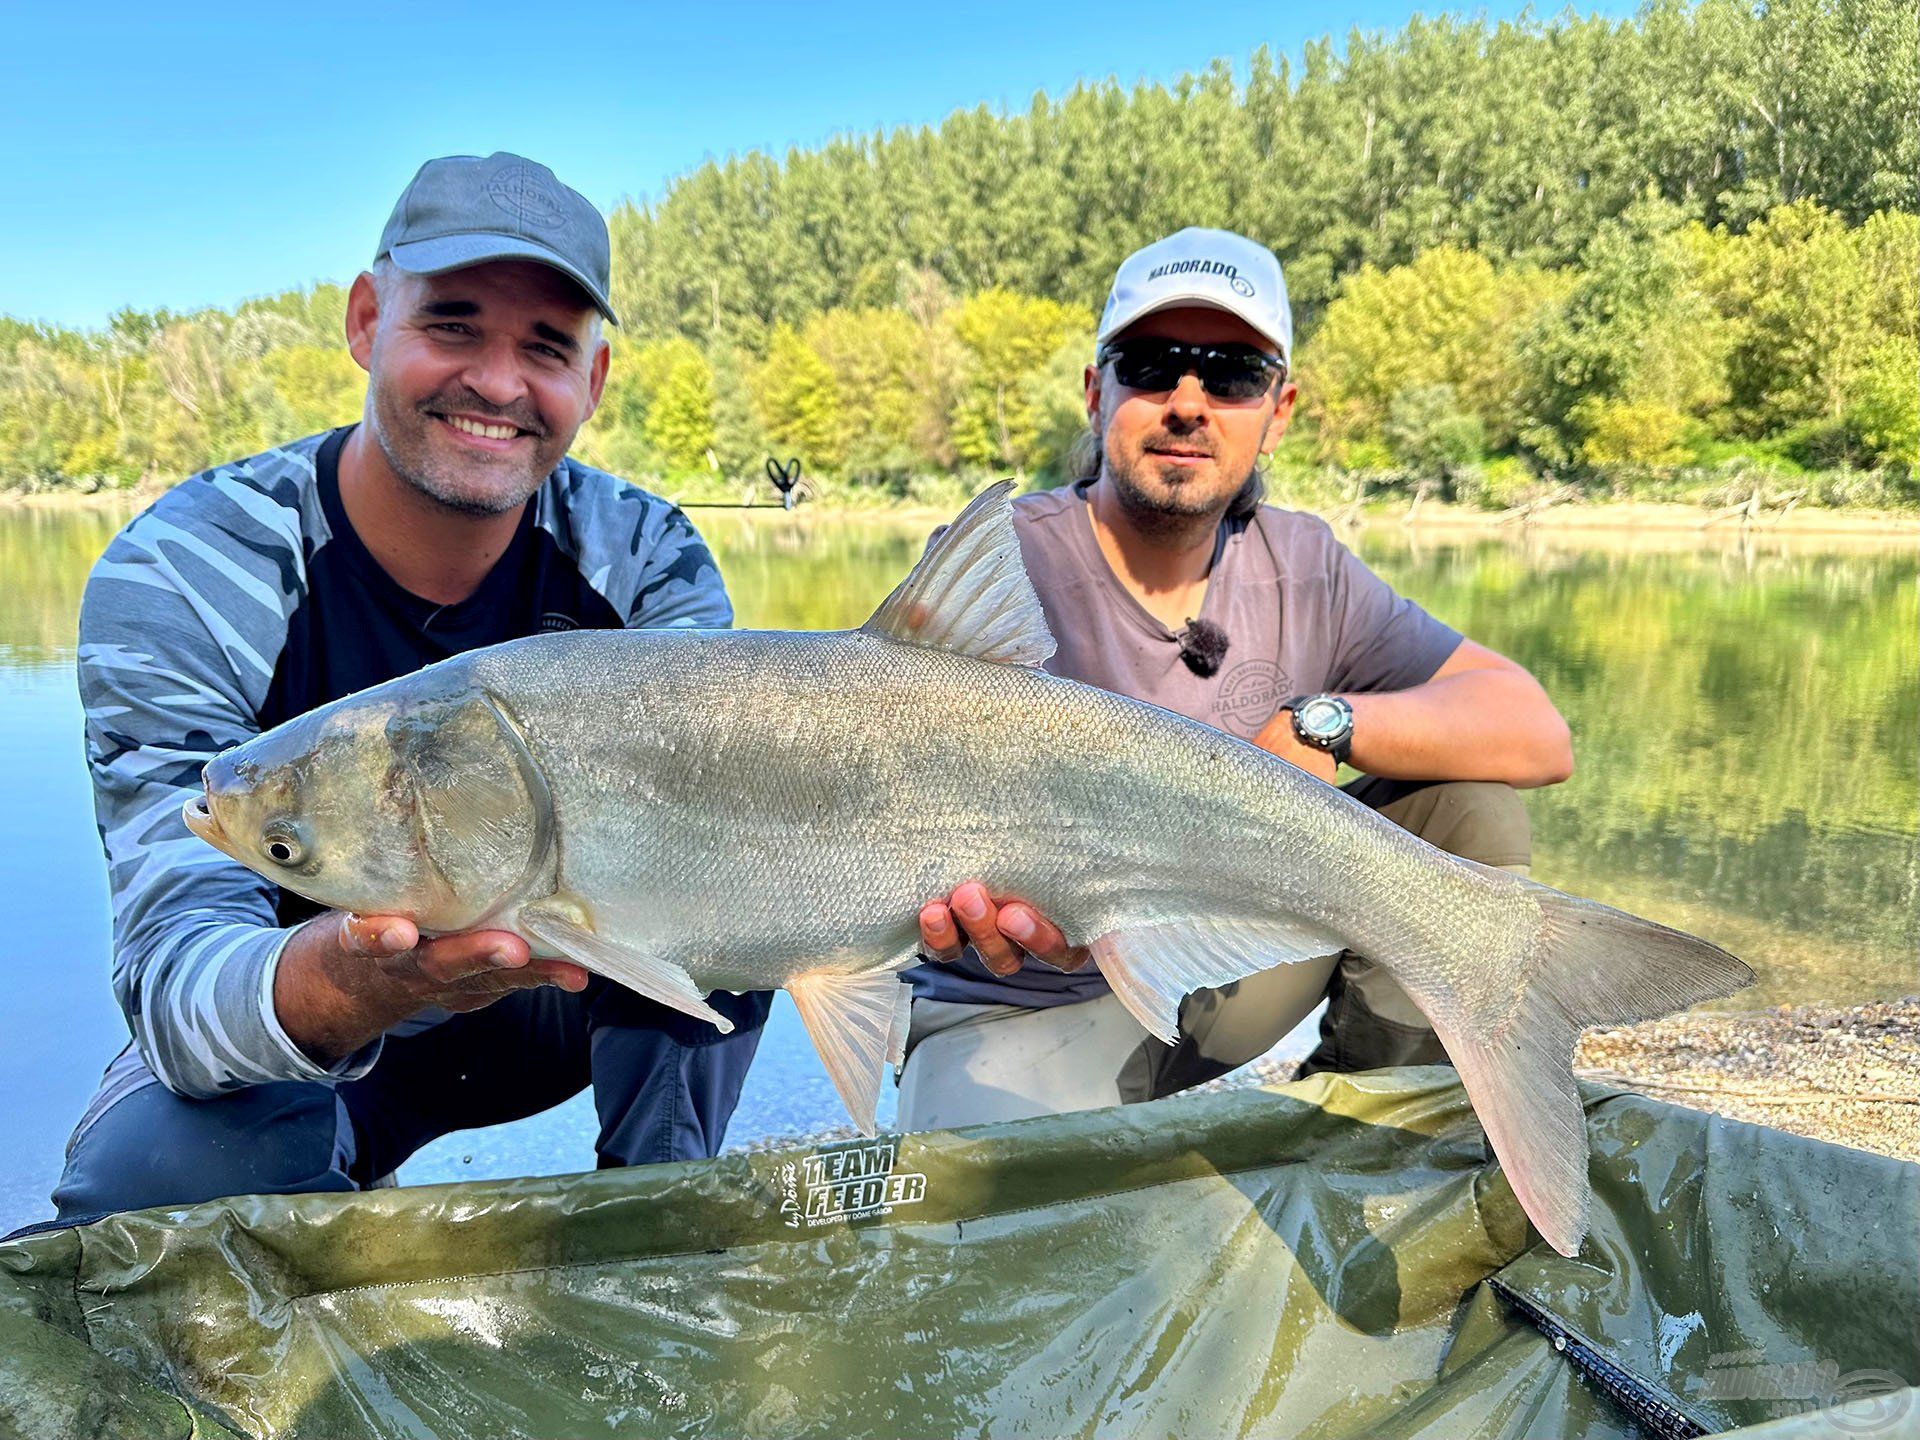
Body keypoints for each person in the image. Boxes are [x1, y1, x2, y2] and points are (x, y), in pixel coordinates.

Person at [50, 154, 772, 1224]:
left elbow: (739, 838)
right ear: (364, 320)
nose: (496, 381)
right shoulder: (191, 571)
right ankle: (331, 1196)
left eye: (546, 347)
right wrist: (357, 983)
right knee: (143, 1191)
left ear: (596, 380)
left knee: (742, 881)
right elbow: (175, 972)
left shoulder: (642, 555)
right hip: (314, 1013)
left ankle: (657, 1229)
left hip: (579, 992)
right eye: (452, 325)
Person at [903, 227, 1573, 1128]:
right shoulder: (998, 559)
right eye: (1152, 363)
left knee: (1465, 809)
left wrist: (1320, 726)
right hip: (1021, 994)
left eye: (1231, 374)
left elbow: (1533, 727)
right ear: (1097, 391)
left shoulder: (1306, 564)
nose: (1189, 401)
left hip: (1225, 967)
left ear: (1280, 409)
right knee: (987, 1251)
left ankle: (1366, 1143)